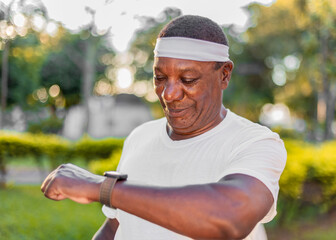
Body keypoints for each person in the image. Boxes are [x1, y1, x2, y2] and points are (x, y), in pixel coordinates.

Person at [41, 15, 287, 240]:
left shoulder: (254, 143)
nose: (169, 94)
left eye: (188, 80)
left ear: (224, 75)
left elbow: (231, 218)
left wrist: (102, 188)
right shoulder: (141, 136)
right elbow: (114, 228)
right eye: (159, 78)